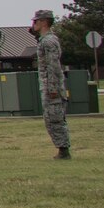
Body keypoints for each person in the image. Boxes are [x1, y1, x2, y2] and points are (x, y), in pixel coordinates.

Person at [30, 9, 71, 159]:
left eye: (36, 21)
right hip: (48, 86)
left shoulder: (48, 41)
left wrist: (52, 88)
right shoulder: (44, 40)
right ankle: (62, 149)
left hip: (51, 87)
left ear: (44, 22)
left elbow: (53, 66)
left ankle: (63, 151)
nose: (33, 24)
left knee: (55, 118)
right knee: (51, 119)